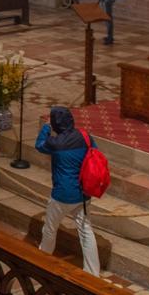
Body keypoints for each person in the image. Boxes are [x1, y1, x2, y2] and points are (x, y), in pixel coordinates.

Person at [36, 106, 101, 276]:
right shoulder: (86, 136)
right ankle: (93, 272)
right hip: (83, 192)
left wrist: (46, 127)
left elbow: (39, 145)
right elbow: (94, 152)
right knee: (86, 230)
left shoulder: (55, 143)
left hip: (62, 195)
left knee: (50, 229)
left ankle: (42, 261)